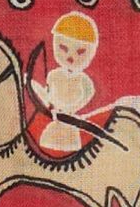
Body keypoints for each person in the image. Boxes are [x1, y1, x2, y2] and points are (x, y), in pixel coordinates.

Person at [30, 10, 98, 154]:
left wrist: (68, 110)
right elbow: (47, 98)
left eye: (80, 52)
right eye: (63, 48)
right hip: (54, 127)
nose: (70, 57)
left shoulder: (84, 80)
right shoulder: (53, 76)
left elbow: (87, 96)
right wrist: (33, 86)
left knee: (68, 155)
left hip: (70, 128)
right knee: (46, 153)